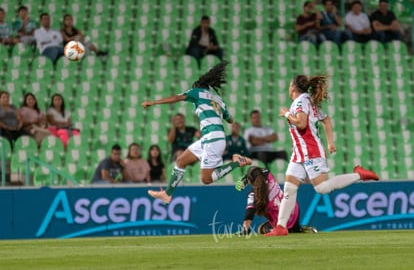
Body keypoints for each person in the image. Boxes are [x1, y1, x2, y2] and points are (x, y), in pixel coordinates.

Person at [265, 74, 379, 236]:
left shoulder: (300, 102)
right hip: (299, 153)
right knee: (289, 188)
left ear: (294, 87)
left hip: (311, 151)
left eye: (290, 84)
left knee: (321, 188)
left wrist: (286, 114)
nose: (289, 87)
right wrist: (330, 142)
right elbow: (326, 120)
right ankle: (281, 227)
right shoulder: (307, 101)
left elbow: (302, 123)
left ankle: (358, 174)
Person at [142, 61, 252, 204]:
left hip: (212, 138)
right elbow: (230, 120)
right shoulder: (218, 99)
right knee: (181, 161)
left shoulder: (196, 92)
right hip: (210, 138)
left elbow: (176, 98)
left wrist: (154, 102)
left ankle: (236, 163)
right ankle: (167, 194)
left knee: (206, 179)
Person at [234, 166, 318, 235]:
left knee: (261, 229)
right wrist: (248, 177)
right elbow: (261, 170)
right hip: (294, 208)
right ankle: (298, 229)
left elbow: (250, 212)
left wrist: (245, 229)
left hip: (282, 223)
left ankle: (293, 229)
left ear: (250, 181)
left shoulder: (253, 194)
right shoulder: (268, 174)